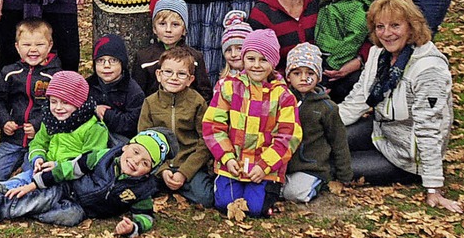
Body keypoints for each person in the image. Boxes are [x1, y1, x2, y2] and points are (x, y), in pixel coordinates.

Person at [339, 0, 463, 213]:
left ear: (411, 26)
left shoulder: (429, 69)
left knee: (338, 166)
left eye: (395, 25)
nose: (387, 34)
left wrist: (433, 186)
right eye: (380, 27)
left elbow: (429, 128)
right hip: (382, 131)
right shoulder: (379, 53)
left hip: (406, 155)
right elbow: (359, 98)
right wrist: (319, 126)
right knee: (330, 140)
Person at [0, 127, 179, 236]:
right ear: (128, 145)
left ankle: (4, 197)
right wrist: (35, 183)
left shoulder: (142, 188)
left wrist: (134, 226)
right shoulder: (103, 156)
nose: (136, 161)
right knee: (40, 196)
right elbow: (68, 170)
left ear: (150, 171)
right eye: (136, 151)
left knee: (67, 216)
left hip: (81, 209)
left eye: (145, 163)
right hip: (66, 187)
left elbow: (146, 216)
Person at [0, 70, 109, 199]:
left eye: (65, 103)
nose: (58, 108)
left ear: (79, 103)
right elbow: (38, 142)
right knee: (25, 177)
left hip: (70, 178)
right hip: (45, 171)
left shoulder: (93, 128)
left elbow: (90, 161)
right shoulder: (51, 120)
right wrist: (38, 158)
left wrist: (58, 166)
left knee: (30, 186)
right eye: (53, 102)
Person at [203, 29, 302, 217]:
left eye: (263, 60)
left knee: (255, 208)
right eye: (251, 59)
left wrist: (265, 165)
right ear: (243, 59)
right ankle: (225, 181)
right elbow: (213, 125)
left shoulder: (283, 96)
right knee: (225, 203)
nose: (256, 65)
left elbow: (289, 136)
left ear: (273, 63)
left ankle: (270, 191)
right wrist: (227, 157)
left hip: (264, 167)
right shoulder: (229, 87)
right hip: (233, 164)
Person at [0, 19, 61, 181]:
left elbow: (58, 108)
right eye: (26, 45)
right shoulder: (10, 73)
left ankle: (16, 185)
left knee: (33, 172)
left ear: (49, 45)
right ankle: (0, 185)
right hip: (13, 139)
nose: (33, 50)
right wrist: (4, 121)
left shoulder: (55, 76)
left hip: (42, 140)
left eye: (39, 45)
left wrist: (37, 125)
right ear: (17, 47)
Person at [138, 46, 214, 207]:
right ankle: (165, 182)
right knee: (138, 190)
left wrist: (184, 173)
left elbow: (205, 141)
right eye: (168, 72)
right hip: (158, 164)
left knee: (205, 198)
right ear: (159, 75)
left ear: (190, 79)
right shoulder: (150, 103)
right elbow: (143, 138)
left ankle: (180, 183)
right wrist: (162, 169)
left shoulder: (197, 102)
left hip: (188, 163)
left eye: (181, 74)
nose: (174, 78)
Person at [282, 43, 352, 203]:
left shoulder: (327, 108)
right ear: (288, 77)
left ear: (319, 77)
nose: (304, 78)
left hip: (312, 166)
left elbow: (339, 141)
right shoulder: (282, 100)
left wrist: (344, 175)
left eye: (310, 73)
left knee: (294, 194)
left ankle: (319, 183)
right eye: (297, 73)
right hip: (284, 163)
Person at [315, 0, 374, 103]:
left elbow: (355, 37)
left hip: (337, 60)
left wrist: (335, 62)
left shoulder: (355, 7)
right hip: (320, 55)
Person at [133, 0, 212, 102]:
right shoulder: (144, 58)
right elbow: (137, 95)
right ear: (154, 29)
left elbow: (205, 93)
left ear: (184, 30)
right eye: (162, 24)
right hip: (155, 114)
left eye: (175, 24)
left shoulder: (195, 57)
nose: (168, 30)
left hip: (186, 114)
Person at [87, 34, 145, 144]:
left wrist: (107, 114)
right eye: (100, 60)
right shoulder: (87, 85)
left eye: (113, 60)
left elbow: (132, 123)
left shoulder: (133, 91)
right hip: (90, 134)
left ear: (122, 63)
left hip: (120, 138)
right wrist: (93, 109)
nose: (106, 65)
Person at [218, 10, 252, 81]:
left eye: (239, 49)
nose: (233, 54)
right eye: (229, 50)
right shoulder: (223, 81)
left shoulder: (258, 78)